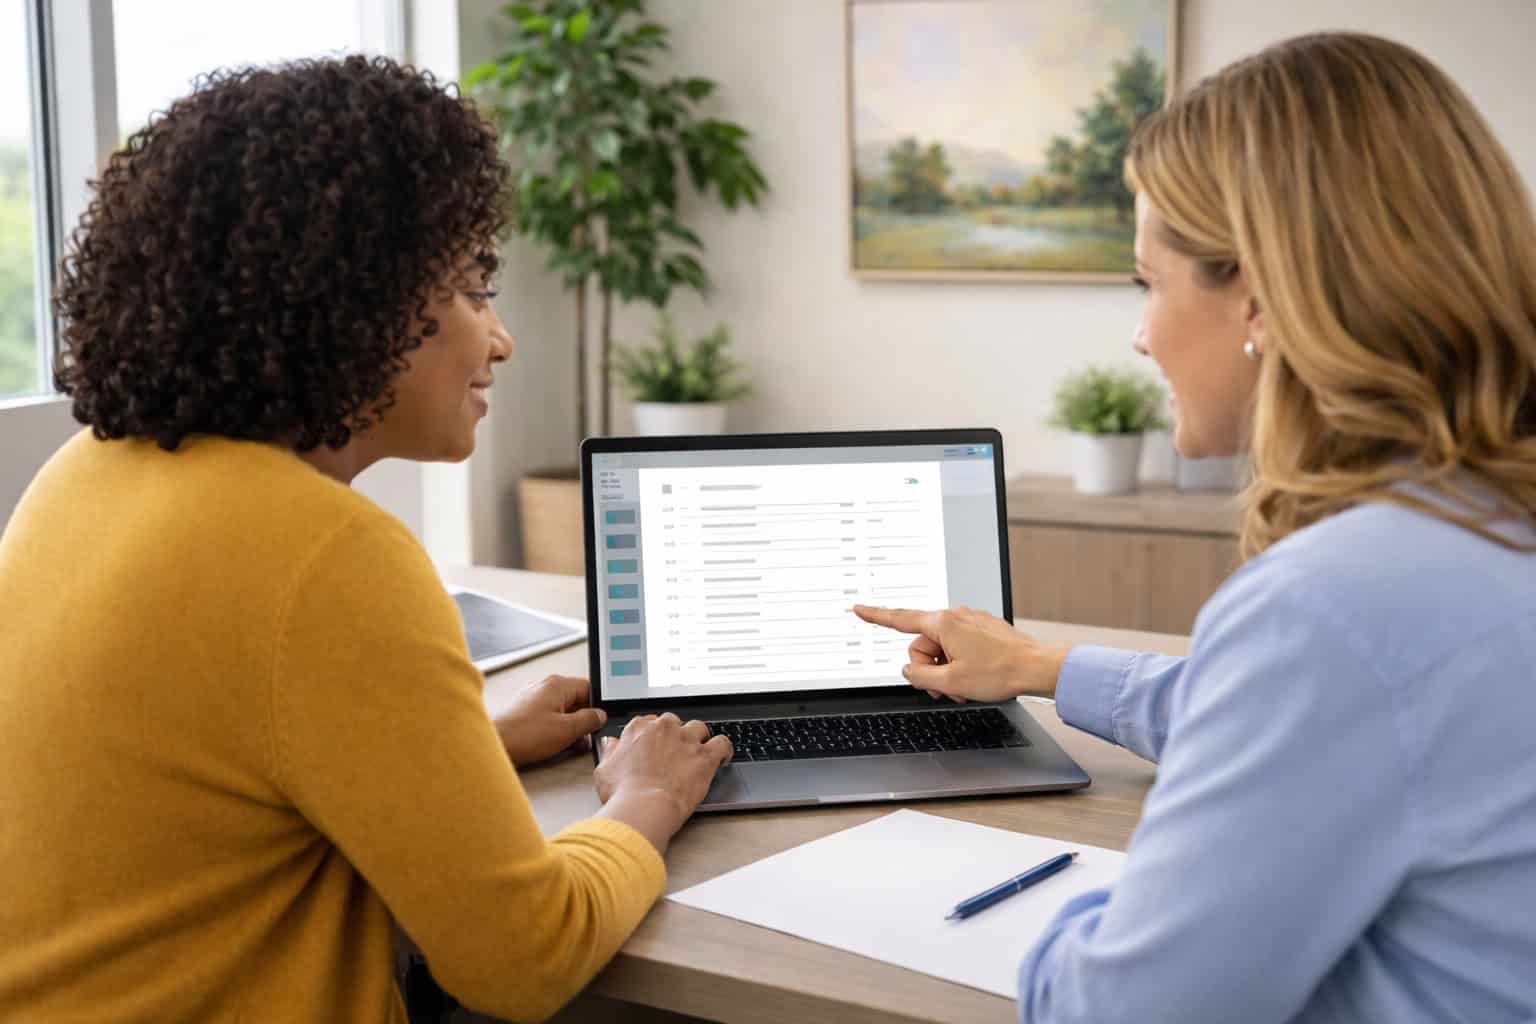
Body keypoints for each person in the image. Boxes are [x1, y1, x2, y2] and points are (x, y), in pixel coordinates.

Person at [0, 56, 730, 1021]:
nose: (501, 339)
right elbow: (526, 959)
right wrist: (648, 797)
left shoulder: (88, 471)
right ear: (354, 306)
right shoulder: (327, 556)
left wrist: (467, 748)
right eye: (474, 291)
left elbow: (215, 786)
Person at [857, 32, 1536, 1023]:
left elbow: (1108, 1008)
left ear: (1256, 292)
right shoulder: (1477, 530)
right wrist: (1042, 665)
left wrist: (1113, 895)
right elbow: (1325, 714)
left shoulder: (1335, 601)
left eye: (1148, 282)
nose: (1139, 334)